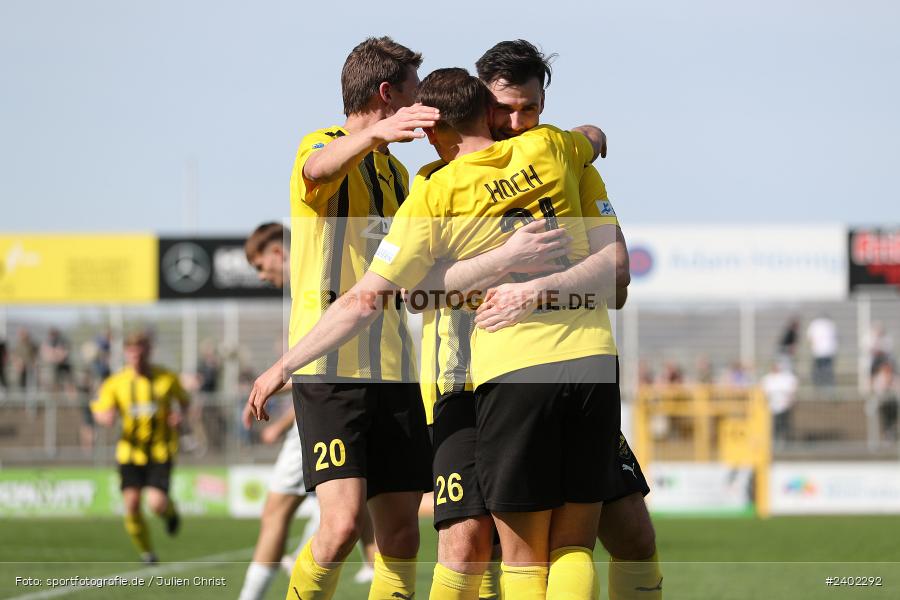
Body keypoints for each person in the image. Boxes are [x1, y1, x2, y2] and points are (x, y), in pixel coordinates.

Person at [248, 67, 621, 600]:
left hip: (483, 373)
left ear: (431, 124)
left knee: (489, 547)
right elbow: (613, 256)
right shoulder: (547, 149)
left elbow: (398, 293)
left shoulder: (427, 184)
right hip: (539, 366)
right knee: (555, 545)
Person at [415, 40, 659, 600]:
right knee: (471, 545)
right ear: (480, 102)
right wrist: (505, 264)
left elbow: (618, 275)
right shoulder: (438, 179)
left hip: (556, 366)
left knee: (628, 539)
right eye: (506, 109)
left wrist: (538, 288)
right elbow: (419, 293)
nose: (518, 122)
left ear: (544, 104)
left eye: (531, 109)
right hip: (466, 381)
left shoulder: (564, 162)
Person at [276, 37, 436, 600]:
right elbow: (317, 170)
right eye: (416, 90)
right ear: (388, 93)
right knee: (341, 528)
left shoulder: (397, 175)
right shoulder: (321, 144)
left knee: (400, 535)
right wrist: (368, 136)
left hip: (394, 366)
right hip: (329, 367)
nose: (424, 102)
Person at [237, 222, 376, 600]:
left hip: (326, 410)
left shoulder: (314, 285)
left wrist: (272, 390)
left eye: (261, 267)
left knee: (280, 514)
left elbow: (319, 366)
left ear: (278, 253)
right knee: (374, 522)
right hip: (357, 396)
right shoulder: (325, 273)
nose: (264, 277)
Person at [90, 330, 189, 563]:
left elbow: (185, 403)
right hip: (129, 453)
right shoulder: (116, 383)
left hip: (160, 450)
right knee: (132, 504)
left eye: (141, 352)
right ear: (126, 353)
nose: (137, 358)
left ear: (148, 352)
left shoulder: (166, 378)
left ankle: (170, 513)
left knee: (156, 504)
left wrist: (179, 416)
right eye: (132, 353)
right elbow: (100, 410)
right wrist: (103, 417)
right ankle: (147, 553)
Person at [761, 361, 798, 445]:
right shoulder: (768, 378)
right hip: (771, 406)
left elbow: (791, 389)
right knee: (773, 425)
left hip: (783, 405)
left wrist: (790, 400)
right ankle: (774, 440)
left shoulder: (785, 378)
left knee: (783, 424)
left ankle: (783, 440)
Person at [806, 313, 838, 388]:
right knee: (827, 372)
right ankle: (827, 388)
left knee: (818, 371)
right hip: (829, 352)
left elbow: (810, 338)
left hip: (818, 352)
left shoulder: (814, 324)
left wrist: (813, 346)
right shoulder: (831, 324)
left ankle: (819, 387)